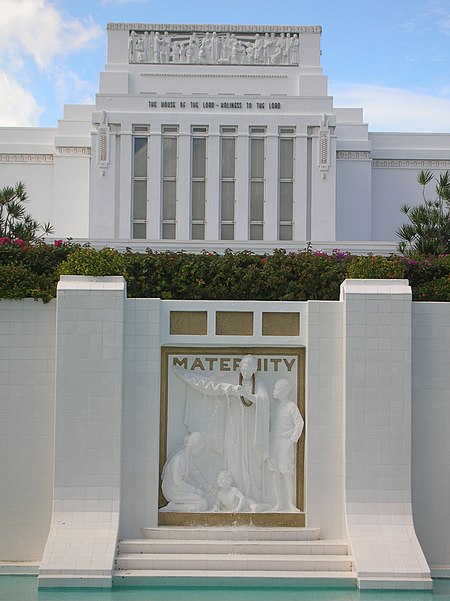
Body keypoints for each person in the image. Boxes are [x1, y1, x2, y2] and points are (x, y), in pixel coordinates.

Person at [173, 355, 270, 505]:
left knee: (251, 459)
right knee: (233, 455)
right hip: (234, 425)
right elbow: (211, 386)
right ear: (240, 367)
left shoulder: (259, 383)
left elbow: (264, 400)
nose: (246, 373)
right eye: (244, 369)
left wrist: (246, 394)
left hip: (250, 426)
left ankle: (252, 499)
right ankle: (233, 501)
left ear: (255, 370)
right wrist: (188, 377)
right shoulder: (232, 379)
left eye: (250, 370)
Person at [267, 378, 304, 511]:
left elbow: (299, 423)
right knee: (275, 473)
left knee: (287, 473)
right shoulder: (275, 408)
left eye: (276, 389)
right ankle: (279, 502)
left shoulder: (291, 406)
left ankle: (290, 503)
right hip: (274, 443)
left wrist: (291, 441)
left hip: (284, 443)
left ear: (283, 391)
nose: (274, 391)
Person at [160, 432, 209, 512]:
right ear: (195, 445)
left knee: (202, 501)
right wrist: (195, 490)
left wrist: (209, 488)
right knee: (202, 504)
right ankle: (173, 507)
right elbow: (177, 482)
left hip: (178, 488)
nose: (200, 450)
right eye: (200, 448)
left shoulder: (189, 459)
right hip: (172, 489)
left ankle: (178, 505)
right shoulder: (180, 458)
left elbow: (196, 474)